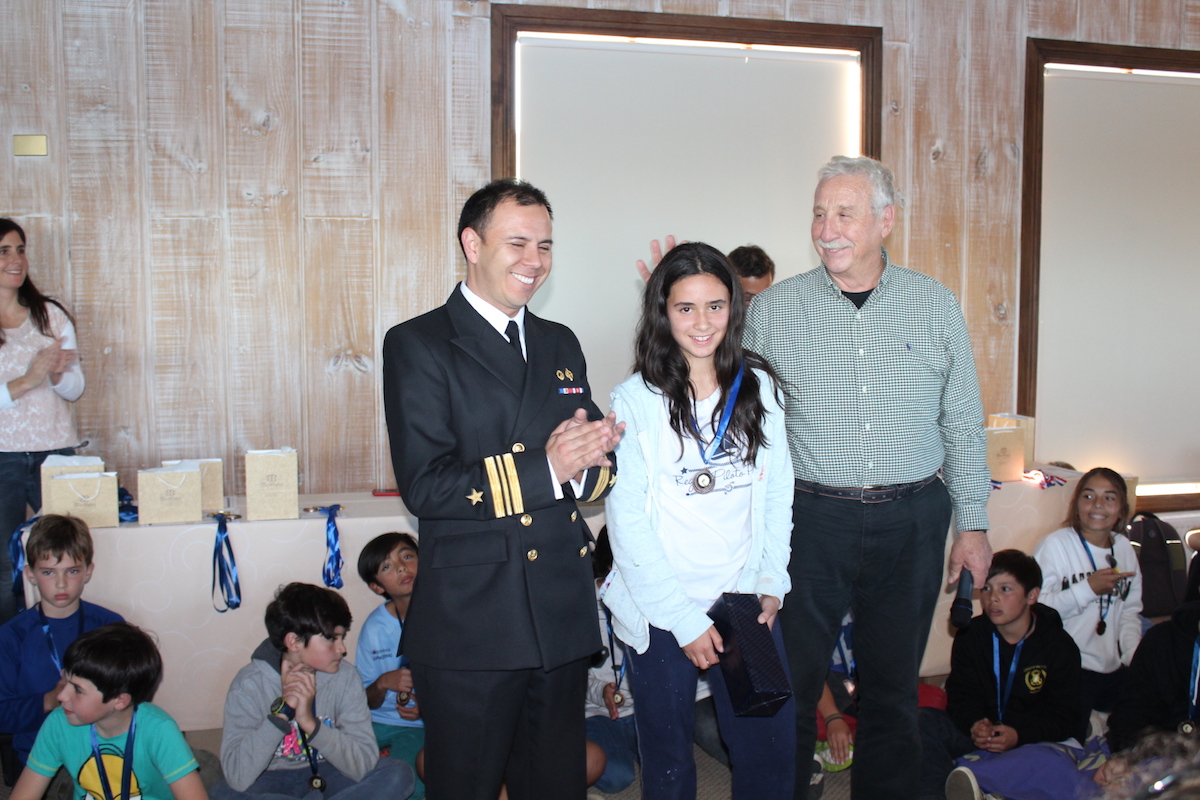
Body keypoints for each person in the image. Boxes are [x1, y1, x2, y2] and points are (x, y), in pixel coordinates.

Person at [742, 155, 993, 800]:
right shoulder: (776, 310)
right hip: (810, 519)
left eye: (844, 214)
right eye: (819, 214)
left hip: (911, 519)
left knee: (892, 690)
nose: (827, 229)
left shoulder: (934, 304)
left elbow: (963, 423)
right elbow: (740, 423)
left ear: (885, 221)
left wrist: (973, 524)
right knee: (789, 686)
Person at [381, 178, 622, 799]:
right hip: (475, 616)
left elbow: (593, 467)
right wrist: (548, 468)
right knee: (469, 783)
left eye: (545, 245)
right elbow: (426, 486)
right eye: (518, 243)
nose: (534, 261)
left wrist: (594, 457)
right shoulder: (419, 343)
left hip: (557, 605)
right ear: (472, 243)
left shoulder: (558, 340)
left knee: (555, 783)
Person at [605, 242, 796, 799]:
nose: (703, 322)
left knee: (768, 752)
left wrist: (771, 579)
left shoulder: (759, 387)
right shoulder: (635, 400)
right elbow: (627, 522)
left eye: (715, 305)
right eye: (685, 307)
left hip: (743, 598)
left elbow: (777, 493)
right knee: (667, 762)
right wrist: (683, 619)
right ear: (663, 312)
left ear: (734, 307)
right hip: (662, 607)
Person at [210, 582, 414, 800]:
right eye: (332, 638)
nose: (342, 649)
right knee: (222, 793)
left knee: (397, 774)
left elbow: (363, 763)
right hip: (271, 779)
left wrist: (310, 723)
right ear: (294, 641)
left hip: (330, 772)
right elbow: (237, 776)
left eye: (342, 637)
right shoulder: (249, 684)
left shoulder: (345, 678)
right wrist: (282, 712)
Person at [917, 550, 1087, 800]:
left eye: (1005, 589)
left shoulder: (1059, 645)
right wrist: (975, 724)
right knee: (919, 721)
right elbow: (961, 693)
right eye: (986, 588)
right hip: (982, 736)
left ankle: (980, 782)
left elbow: (1066, 715)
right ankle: (949, 791)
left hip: (1030, 740)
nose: (993, 598)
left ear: (1032, 595)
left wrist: (1018, 734)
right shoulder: (971, 635)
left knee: (1051, 764)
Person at [10, 622, 206, 800]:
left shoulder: (159, 730)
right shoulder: (58, 722)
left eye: (77, 689)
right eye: (65, 681)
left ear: (119, 700)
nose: (61, 696)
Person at [0, 218, 86, 624]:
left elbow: (75, 388)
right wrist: (29, 379)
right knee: (4, 569)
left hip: (55, 452)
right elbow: (28, 382)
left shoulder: (49, 315)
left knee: (69, 558)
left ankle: (76, 648)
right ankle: (11, 650)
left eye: (20, 249)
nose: (16, 260)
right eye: (3, 251)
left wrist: (54, 376)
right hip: (2, 456)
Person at [0, 514, 122, 765]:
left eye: (72, 571)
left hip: (104, 751)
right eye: (48, 572)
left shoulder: (111, 626)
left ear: (88, 571)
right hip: (40, 757)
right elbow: (3, 715)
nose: (61, 583)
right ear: (30, 574)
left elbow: (131, 693)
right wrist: (49, 700)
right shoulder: (11, 637)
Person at [1033, 467, 1141, 716]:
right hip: (1065, 668)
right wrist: (1088, 589)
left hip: (1111, 666)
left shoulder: (1124, 548)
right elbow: (1036, 611)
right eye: (1088, 496)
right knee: (1072, 731)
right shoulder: (1056, 545)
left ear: (1122, 509)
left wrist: (1135, 658)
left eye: (1109, 498)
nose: (1098, 505)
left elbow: (1129, 612)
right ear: (1076, 504)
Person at [354, 532, 425, 799]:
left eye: (407, 556)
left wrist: (426, 709)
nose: (401, 568)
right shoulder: (375, 627)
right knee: (344, 772)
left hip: (419, 726)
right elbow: (365, 701)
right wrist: (383, 683)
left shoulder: (449, 615)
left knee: (406, 783)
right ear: (377, 587)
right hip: (374, 722)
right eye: (387, 566)